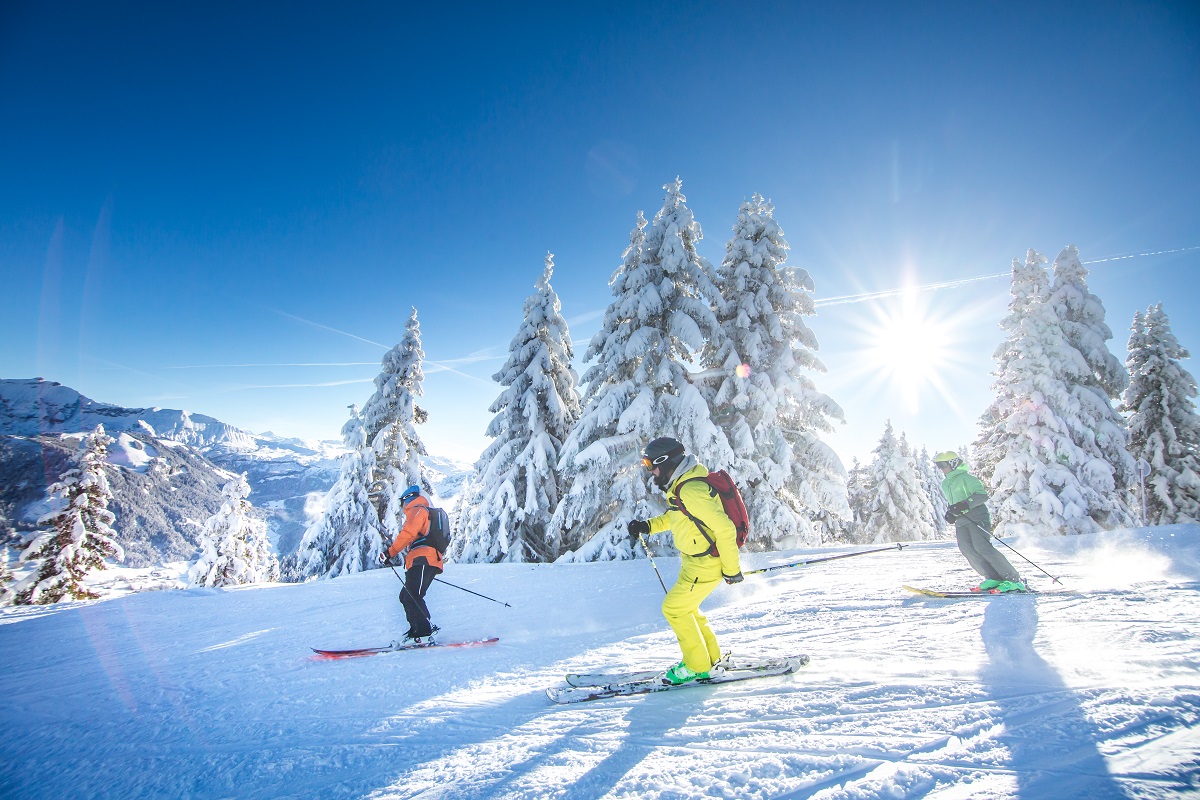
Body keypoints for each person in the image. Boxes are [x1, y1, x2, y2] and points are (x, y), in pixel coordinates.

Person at [627, 437, 744, 685]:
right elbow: (677, 518)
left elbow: (724, 530)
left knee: (674, 608)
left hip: (705, 565)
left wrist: (732, 570)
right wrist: (647, 526)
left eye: (651, 464)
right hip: (693, 563)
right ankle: (710, 658)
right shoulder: (683, 487)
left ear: (665, 462)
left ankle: (696, 665)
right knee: (687, 608)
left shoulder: (691, 490)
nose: (650, 471)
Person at [934, 451, 1025, 592]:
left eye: (943, 464)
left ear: (953, 463)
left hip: (977, 516)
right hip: (961, 520)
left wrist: (965, 504)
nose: (941, 468)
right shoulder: (946, 483)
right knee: (967, 549)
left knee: (982, 547)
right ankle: (993, 577)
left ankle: (1013, 579)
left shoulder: (966, 478)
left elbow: (982, 496)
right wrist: (950, 513)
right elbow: (954, 502)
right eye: (938, 465)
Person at [377, 484, 444, 643]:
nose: (401, 506)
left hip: (423, 559)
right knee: (406, 596)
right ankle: (419, 629)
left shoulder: (418, 510)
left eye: (402, 502)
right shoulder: (420, 511)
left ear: (408, 499)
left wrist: (390, 552)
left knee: (412, 596)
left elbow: (408, 534)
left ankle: (423, 633)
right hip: (423, 560)